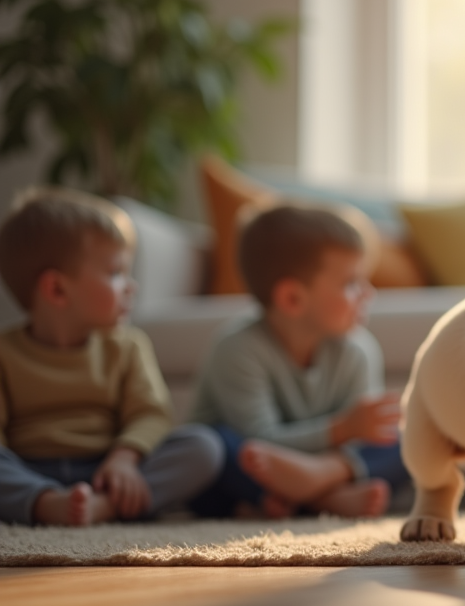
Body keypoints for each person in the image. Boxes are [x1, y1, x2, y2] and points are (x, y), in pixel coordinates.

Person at [0, 188, 223, 526]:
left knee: (204, 447)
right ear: (57, 290)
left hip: (109, 470)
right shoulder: (5, 354)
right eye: (117, 273)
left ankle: (102, 506)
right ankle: (45, 503)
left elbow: (152, 415)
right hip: (28, 468)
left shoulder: (128, 346)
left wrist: (124, 458)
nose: (131, 286)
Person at [189, 203, 406, 519]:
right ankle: (323, 498)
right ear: (292, 298)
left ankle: (312, 485)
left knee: (404, 441)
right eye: (351, 283)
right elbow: (259, 443)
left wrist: (331, 457)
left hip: (317, 463)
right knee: (210, 448)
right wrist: (340, 429)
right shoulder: (237, 348)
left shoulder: (358, 350)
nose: (368, 293)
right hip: (251, 462)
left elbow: (364, 438)